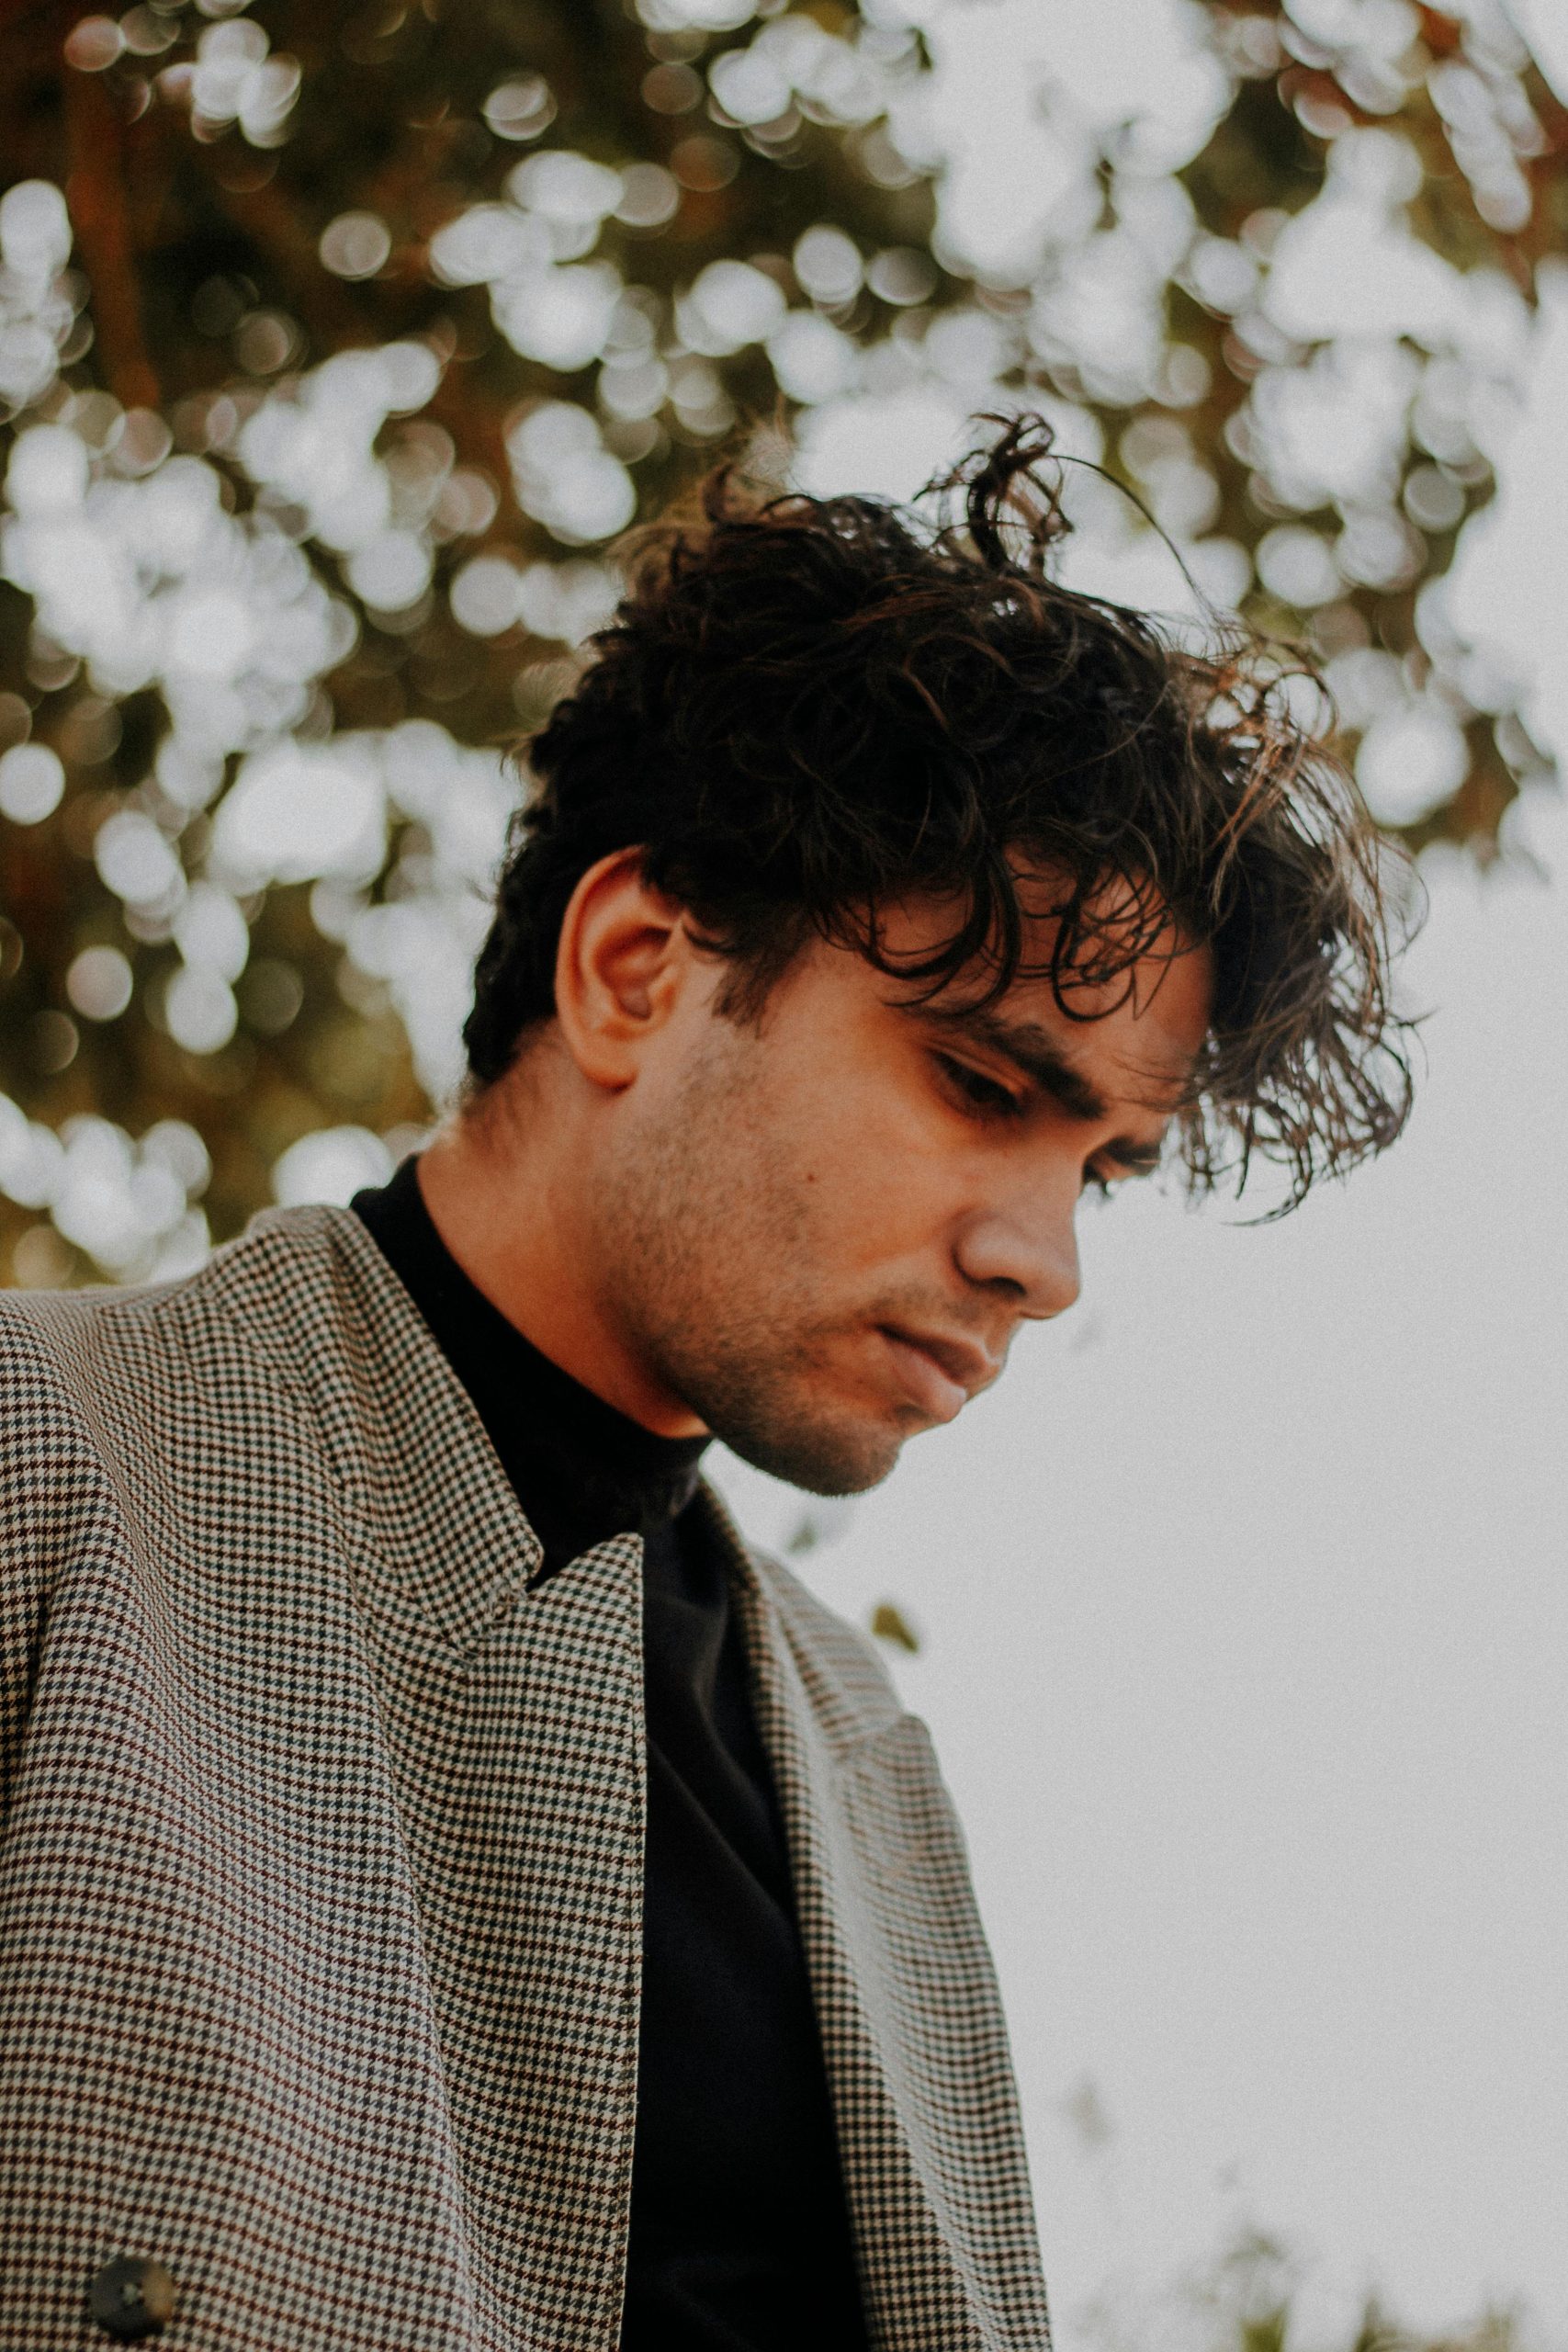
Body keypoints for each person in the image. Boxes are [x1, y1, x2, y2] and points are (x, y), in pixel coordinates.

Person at [0, 419, 1412, 2352]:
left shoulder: (866, 1756)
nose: (1044, 1259)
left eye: (1099, 1169)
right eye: (980, 1083)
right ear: (634, 969)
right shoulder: (48, 1463)